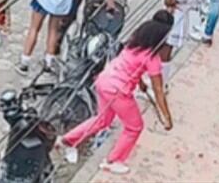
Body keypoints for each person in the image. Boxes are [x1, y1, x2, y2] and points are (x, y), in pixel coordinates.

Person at [57, 15, 174, 175]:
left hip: (105, 80)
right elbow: (159, 90)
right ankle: (113, 160)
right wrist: (166, 117)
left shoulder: (134, 44)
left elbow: (133, 67)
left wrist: (140, 83)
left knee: (102, 120)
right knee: (134, 127)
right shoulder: (152, 58)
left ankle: (68, 140)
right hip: (118, 91)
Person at [162, 0, 206, 75]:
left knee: (165, 52)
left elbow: (168, 1)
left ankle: (163, 80)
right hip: (176, 14)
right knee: (163, 49)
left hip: (176, 19)